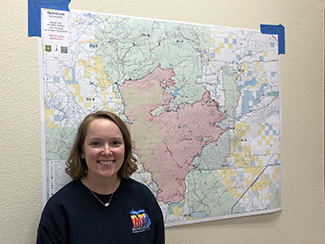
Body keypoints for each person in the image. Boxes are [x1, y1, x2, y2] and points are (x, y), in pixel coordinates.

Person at [37, 111, 165, 244]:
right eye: (96, 143)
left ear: (125, 149)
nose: (107, 151)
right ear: (82, 151)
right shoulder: (60, 208)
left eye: (115, 143)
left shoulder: (143, 197)